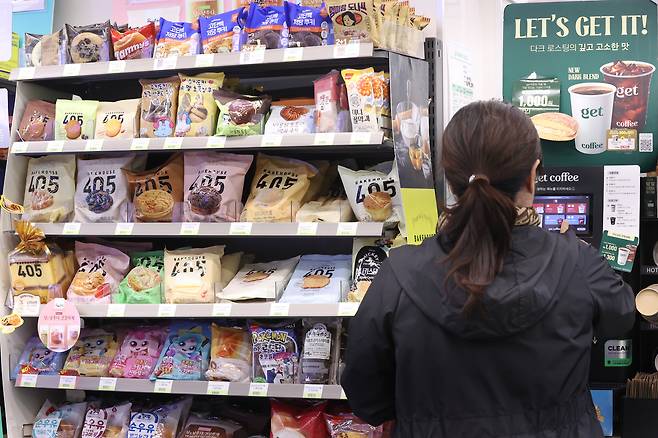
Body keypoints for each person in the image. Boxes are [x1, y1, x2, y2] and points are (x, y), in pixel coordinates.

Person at [341, 101, 635, 438]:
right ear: (532, 175)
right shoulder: (577, 262)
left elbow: (367, 398)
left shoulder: (399, 275)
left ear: (451, 180)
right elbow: (622, 315)